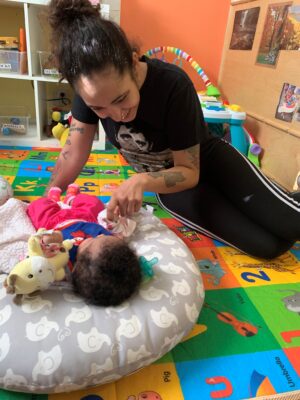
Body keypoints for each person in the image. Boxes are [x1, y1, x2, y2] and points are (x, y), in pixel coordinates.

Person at [46, 0, 300, 260]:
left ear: (133, 64)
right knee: (270, 248)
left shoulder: (172, 84)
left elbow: (190, 171)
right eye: (100, 109)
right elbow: (72, 153)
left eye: (121, 98)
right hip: (174, 190)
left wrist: (140, 180)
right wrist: (46, 204)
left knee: (293, 223)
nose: (117, 114)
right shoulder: (90, 91)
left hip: (210, 164)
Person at [27, 184, 141, 306]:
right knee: (95, 203)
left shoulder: (64, 259)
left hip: (55, 221)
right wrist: (115, 222)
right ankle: (71, 198)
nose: (100, 235)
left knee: (38, 206)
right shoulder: (110, 245)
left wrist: (47, 241)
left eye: (92, 242)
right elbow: (117, 229)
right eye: (104, 236)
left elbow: (37, 261)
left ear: (77, 265)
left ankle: (53, 200)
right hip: (86, 217)